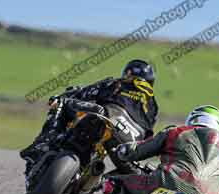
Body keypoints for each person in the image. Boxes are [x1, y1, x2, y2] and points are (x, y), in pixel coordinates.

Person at [20, 59, 159, 181]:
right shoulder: (153, 106)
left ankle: (40, 145)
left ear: (127, 73)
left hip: (107, 115)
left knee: (61, 103)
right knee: (133, 175)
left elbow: (84, 93)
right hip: (130, 140)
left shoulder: (117, 82)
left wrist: (62, 97)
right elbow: (149, 134)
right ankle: (96, 182)